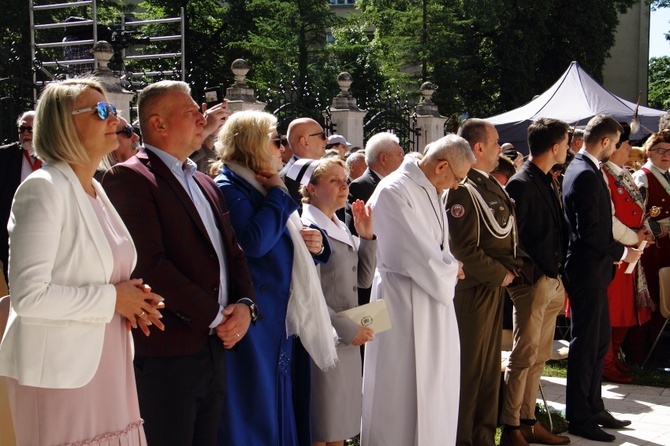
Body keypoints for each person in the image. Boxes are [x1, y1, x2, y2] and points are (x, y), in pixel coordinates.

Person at [0, 78, 164, 445]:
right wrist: (114, 299)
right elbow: (28, 297)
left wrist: (134, 300)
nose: (116, 120)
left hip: (109, 359)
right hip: (59, 370)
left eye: (115, 110)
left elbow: (102, 273)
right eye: (102, 111)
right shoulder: (43, 187)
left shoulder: (97, 187)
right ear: (63, 124)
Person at [101, 80, 257, 446]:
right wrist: (218, 316)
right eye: (191, 112)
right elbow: (150, 266)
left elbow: (232, 253)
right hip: (168, 354)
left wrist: (246, 306)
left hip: (214, 350)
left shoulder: (205, 182)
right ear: (159, 124)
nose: (203, 118)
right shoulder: (129, 178)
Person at [212, 110, 336, 446]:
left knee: (282, 402)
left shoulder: (262, 182)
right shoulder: (230, 186)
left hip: (280, 315)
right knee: (257, 408)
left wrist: (317, 242)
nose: (281, 149)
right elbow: (254, 242)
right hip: (255, 314)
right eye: (275, 140)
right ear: (252, 143)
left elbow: (294, 236)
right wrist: (280, 195)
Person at [361, 134, 473, 446]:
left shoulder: (430, 188)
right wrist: (450, 270)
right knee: (398, 391)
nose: (455, 186)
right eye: (456, 178)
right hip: (400, 302)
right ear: (441, 166)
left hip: (431, 300)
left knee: (435, 387)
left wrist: (451, 264)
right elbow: (414, 254)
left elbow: (437, 245)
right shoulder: (395, 190)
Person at [447, 118, 530, 446]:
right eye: (496, 142)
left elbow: (505, 236)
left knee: (486, 372)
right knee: (470, 372)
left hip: (491, 287)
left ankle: (483, 437)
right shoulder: (464, 188)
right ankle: (463, 438)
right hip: (473, 290)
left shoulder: (487, 184)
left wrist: (512, 269)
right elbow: (462, 247)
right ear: (478, 148)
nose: (501, 148)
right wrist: (501, 274)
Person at [562, 114, 641, 442]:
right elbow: (591, 229)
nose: (620, 149)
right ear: (606, 142)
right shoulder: (584, 173)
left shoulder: (589, 169)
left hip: (594, 269)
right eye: (617, 143)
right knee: (586, 345)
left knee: (598, 343)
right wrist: (623, 253)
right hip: (586, 269)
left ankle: (594, 406)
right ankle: (580, 416)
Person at [500, 118, 572, 446]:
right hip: (533, 281)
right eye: (568, 143)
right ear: (555, 147)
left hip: (551, 279)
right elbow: (513, 239)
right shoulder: (521, 182)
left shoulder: (546, 179)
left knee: (539, 354)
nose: (570, 148)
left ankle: (529, 420)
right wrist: (531, 273)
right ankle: (512, 425)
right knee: (523, 354)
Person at [300, 157, 376, 446]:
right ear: (312, 188)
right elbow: (309, 293)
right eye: (334, 180)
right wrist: (347, 329)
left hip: (347, 339)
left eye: (345, 179)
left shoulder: (339, 223)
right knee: (323, 428)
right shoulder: (308, 228)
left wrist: (367, 236)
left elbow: (364, 280)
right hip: (325, 337)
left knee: (341, 428)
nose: (345, 186)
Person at [602, 123, 654, 383]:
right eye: (624, 145)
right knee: (614, 311)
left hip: (632, 250)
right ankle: (606, 362)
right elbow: (610, 218)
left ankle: (613, 359)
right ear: (612, 148)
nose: (629, 150)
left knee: (626, 312)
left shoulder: (621, 173)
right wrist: (635, 237)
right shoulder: (604, 174)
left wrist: (643, 230)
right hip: (619, 251)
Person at [628, 130, 670, 365]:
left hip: (667, 248)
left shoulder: (667, 175)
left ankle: (660, 353)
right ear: (649, 152)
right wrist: (655, 229)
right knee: (652, 297)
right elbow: (637, 214)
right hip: (652, 247)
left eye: (669, 151)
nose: (666, 155)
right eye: (660, 150)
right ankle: (641, 355)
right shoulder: (642, 177)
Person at [0, 111, 37, 278]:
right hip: (13, 232)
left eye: (30, 129)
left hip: (45, 229)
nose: (26, 134)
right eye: (22, 129)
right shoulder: (6, 156)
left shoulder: (56, 155)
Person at [281, 118, 328, 204]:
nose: (327, 139)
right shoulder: (289, 178)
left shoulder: (313, 169)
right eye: (322, 136)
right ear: (305, 142)